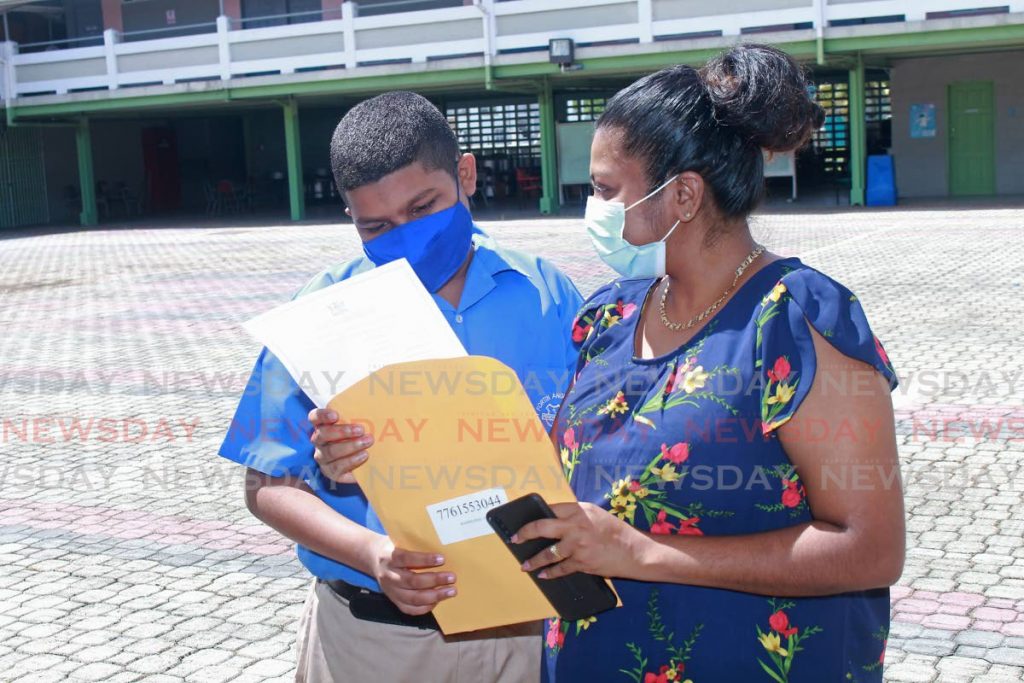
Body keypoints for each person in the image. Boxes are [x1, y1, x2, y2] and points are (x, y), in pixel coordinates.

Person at [511, 44, 905, 682]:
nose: (592, 207)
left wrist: (644, 553)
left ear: (684, 196)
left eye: (607, 189)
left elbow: (870, 549)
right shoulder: (610, 316)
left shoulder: (796, 323)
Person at [218, 91, 582, 682]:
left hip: (527, 634)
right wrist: (373, 554)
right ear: (351, 221)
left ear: (465, 175)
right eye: (378, 225)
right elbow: (266, 485)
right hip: (373, 644)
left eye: (424, 207)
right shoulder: (320, 313)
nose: (407, 236)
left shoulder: (545, 293)